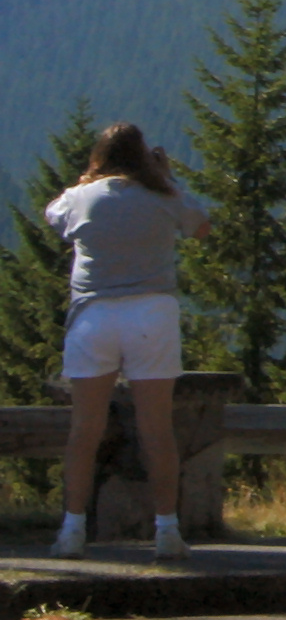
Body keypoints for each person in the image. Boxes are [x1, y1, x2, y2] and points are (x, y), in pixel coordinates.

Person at [44, 124, 212, 559]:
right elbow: (200, 228)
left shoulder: (82, 197)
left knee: (85, 429)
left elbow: (54, 217)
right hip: (152, 313)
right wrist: (166, 178)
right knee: (157, 429)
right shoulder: (162, 195)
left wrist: (87, 180)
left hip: (94, 313)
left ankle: (72, 530)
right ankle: (167, 530)